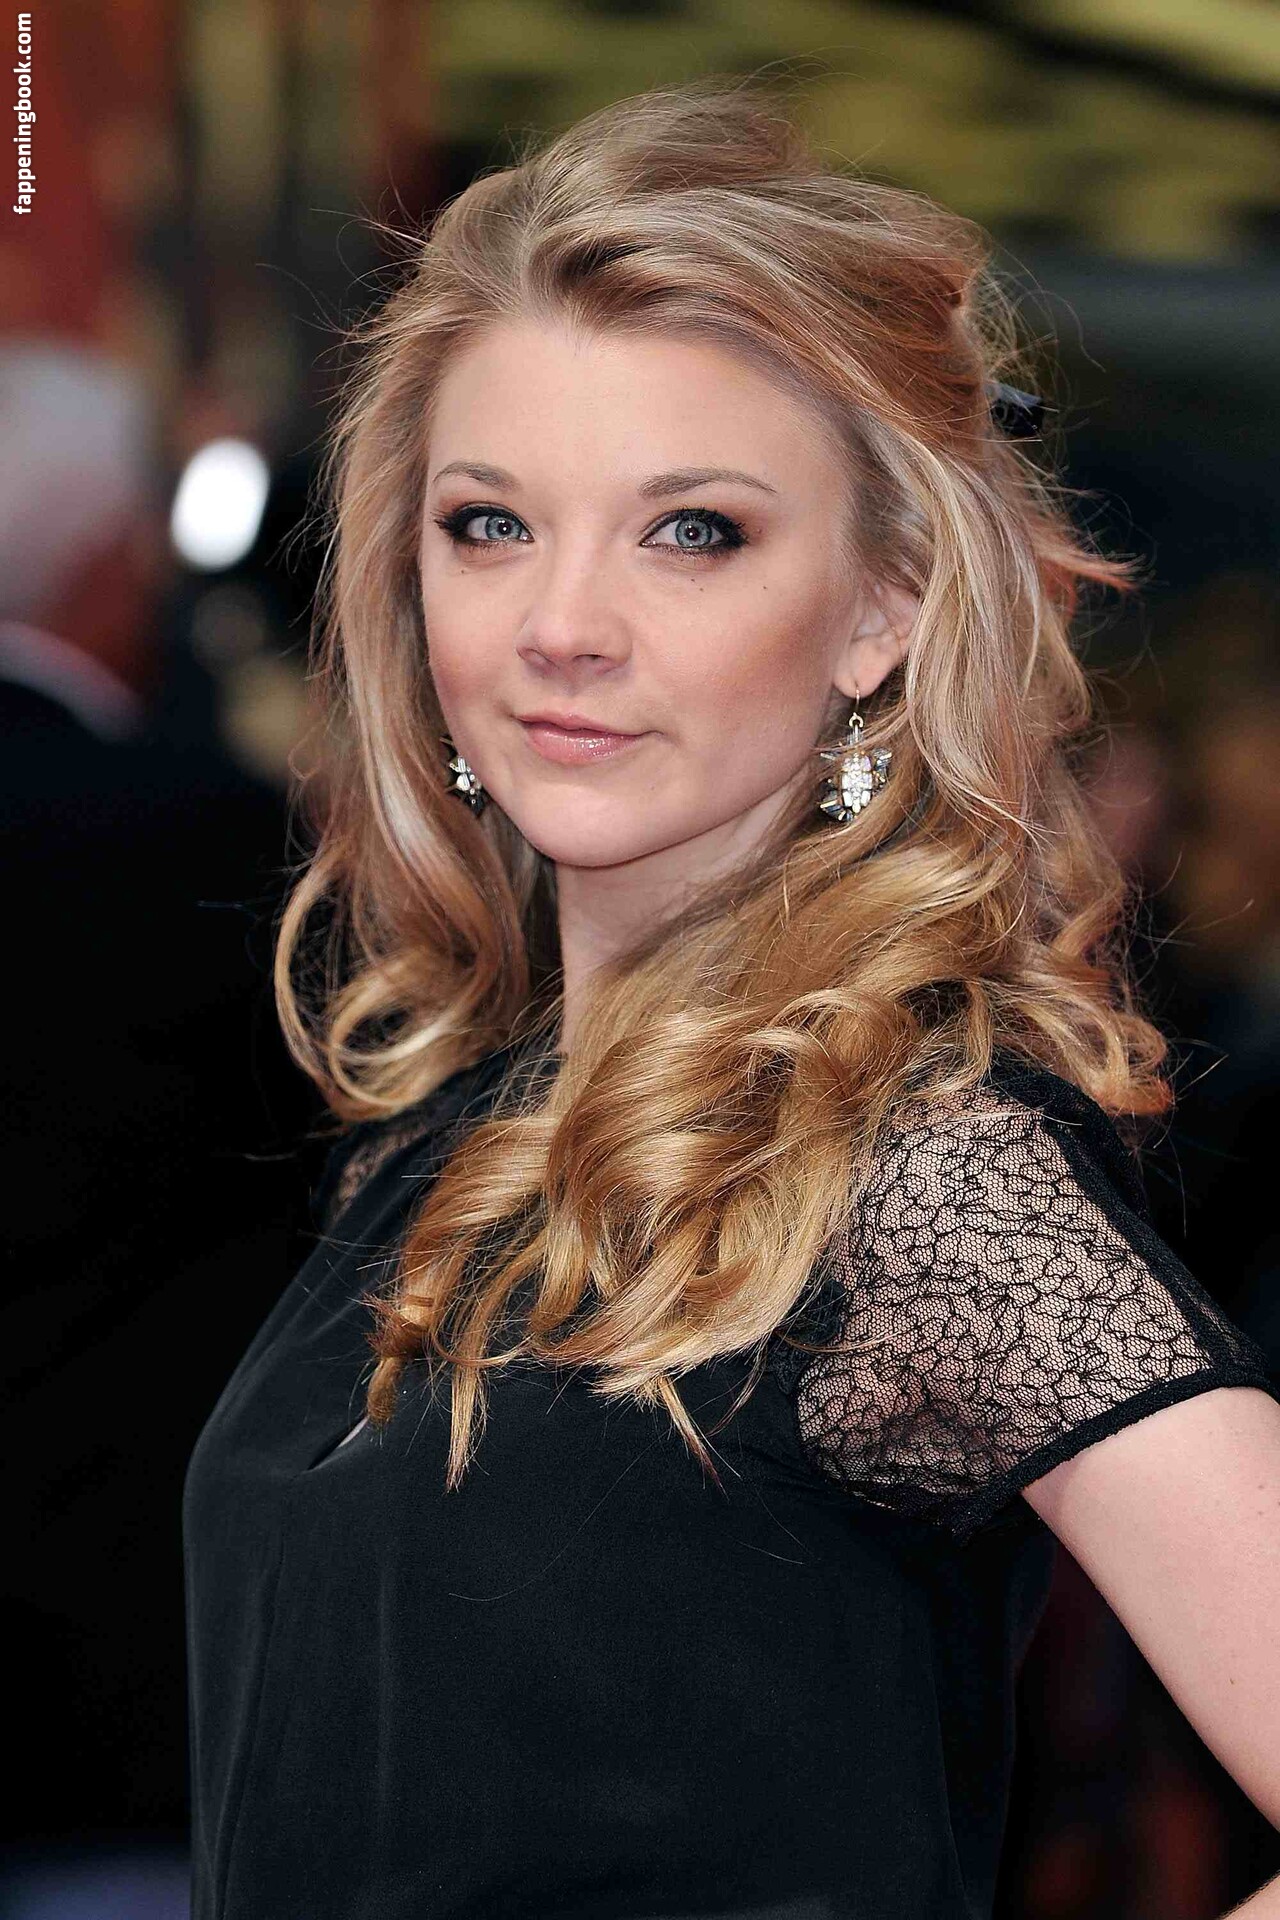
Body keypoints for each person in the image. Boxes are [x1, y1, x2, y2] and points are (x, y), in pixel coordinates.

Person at [183, 80, 1280, 1920]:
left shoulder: (917, 1172)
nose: (561, 625)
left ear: (881, 611)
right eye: (489, 525)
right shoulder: (453, 1123)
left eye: (691, 531)